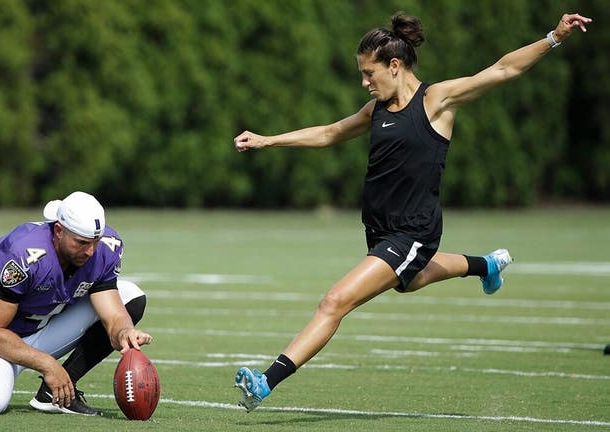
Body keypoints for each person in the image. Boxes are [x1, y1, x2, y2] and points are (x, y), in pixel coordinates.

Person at [232, 12, 592, 412]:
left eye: (369, 74)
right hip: (381, 230)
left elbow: (503, 69)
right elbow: (331, 133)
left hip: (412, 230)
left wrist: (554, 37)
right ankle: (485, 266)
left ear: (395, 66)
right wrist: (268, 140)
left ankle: (265, 382)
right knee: (411, 280)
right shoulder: (376, 111)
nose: (364, 83)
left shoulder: (436, 100)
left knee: (335, 301)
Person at [0, 191, 152, 416]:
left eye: (95, 242)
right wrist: (48, 364)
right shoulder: (21, 253)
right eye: (81, 242)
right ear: (59, 230)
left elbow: (112, 313)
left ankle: (56, 393)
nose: (90, 251)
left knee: (130, 296)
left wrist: (123, 332)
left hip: (41, 327)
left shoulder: (105, 248)